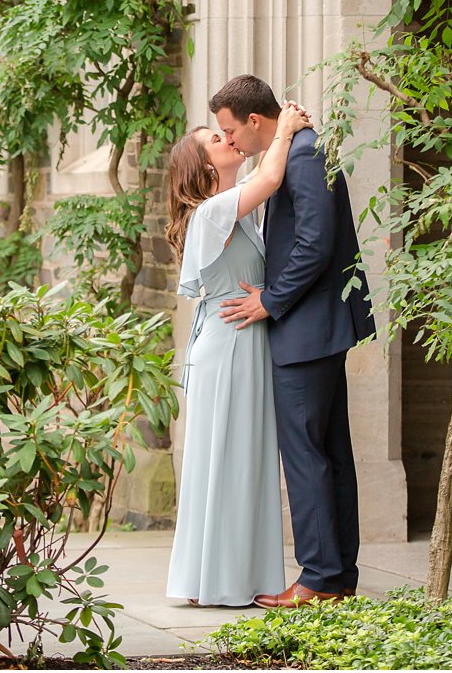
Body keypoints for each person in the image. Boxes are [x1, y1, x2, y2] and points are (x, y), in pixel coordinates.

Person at [212, 74, 376, 608]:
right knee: (329, 453)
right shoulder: (296, 148)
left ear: (254, 120)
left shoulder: (303, 156)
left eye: (230, 131)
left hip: (306, 329)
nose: (230, 143)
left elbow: (315, 243)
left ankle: (317, 578)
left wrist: (270, 301)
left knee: (307, 455)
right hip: (319, 327)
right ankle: (339, 575)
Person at [163, 101, 313, 608]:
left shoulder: (236, 211)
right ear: (206, 166)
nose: (228, 140)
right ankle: (217, 580)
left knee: (246, 461)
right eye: (215, 139)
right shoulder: (211, 212)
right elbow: (270, 179)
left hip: (246, 344)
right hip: (226, 350)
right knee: (225, 460)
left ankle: (238, 576)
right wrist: (285, 130)